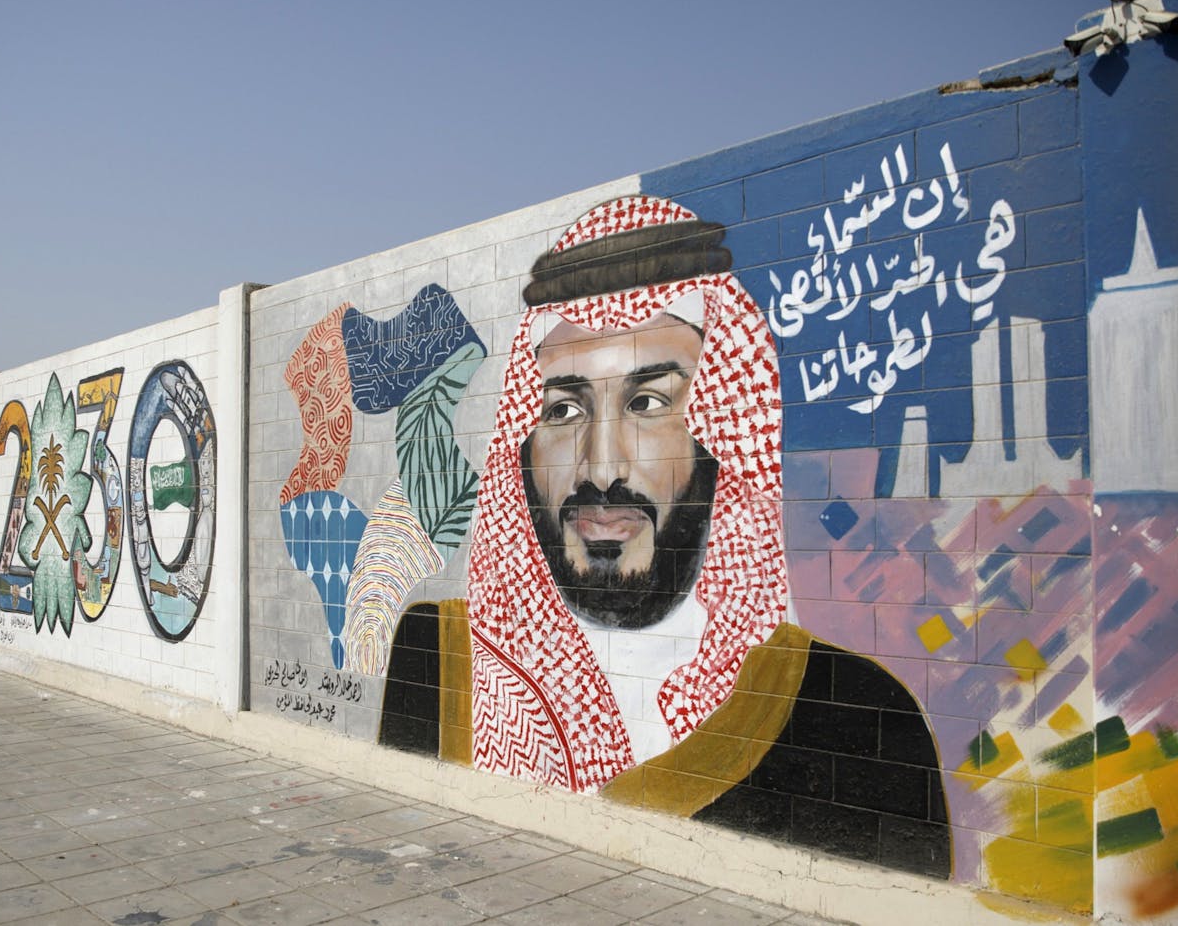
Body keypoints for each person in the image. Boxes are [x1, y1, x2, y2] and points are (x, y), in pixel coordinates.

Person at [381, 196, 950, 878]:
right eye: (563, 408)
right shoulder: (439, 659)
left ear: (723, 433)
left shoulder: (856, 708)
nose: (602, 467)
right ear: (523, 443)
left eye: (648, 403)